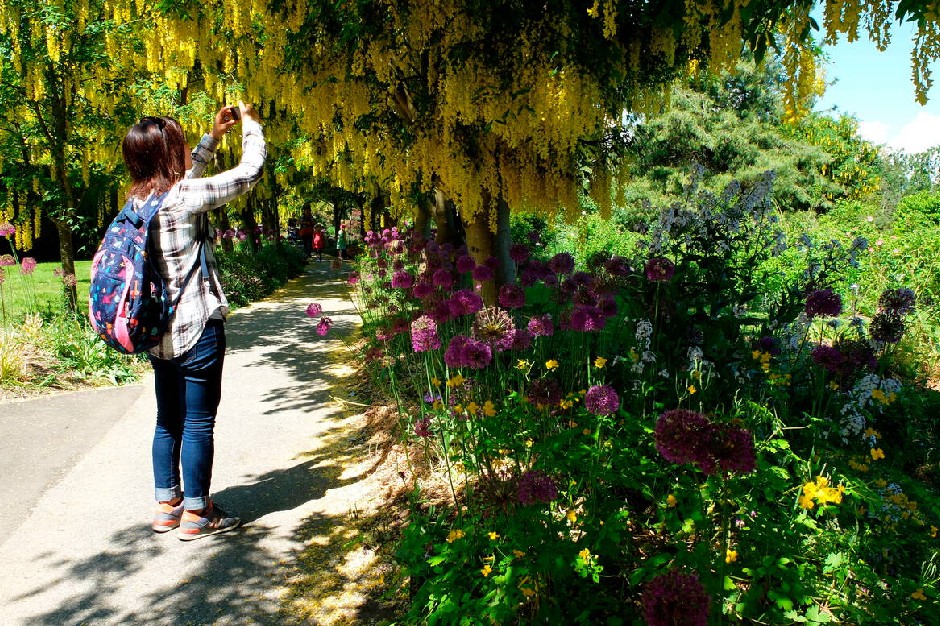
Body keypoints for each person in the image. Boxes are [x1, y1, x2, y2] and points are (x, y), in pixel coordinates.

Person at [121, 102, 266, 540]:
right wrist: (252, 125)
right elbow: (250, 172)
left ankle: (168, 506)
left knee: (168, 419)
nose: (187, 150)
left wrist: (212, 138)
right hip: (198, 326)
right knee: (200, 421)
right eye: (181, 145)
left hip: (155, 330)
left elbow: (180, 180)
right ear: (168, 154)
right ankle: (200, 513)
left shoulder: (137, 202)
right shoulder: (184, 199)